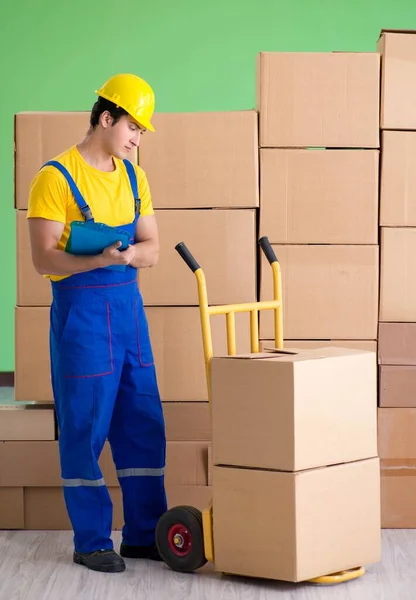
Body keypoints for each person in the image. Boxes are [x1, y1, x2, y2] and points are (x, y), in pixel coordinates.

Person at [27, 74, 167, 573]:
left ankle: (144, 534)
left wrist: (126, 258)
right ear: (106, 117)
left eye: (142, 132)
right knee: (85, 427)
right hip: (82, 318)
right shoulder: (54, 177)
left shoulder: (134, 177)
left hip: (129, 316)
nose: (137, 138)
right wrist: (99, 261)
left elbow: (152, 247)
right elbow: (43, 260)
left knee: (142, 422)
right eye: (133, 126)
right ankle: (91, 540)